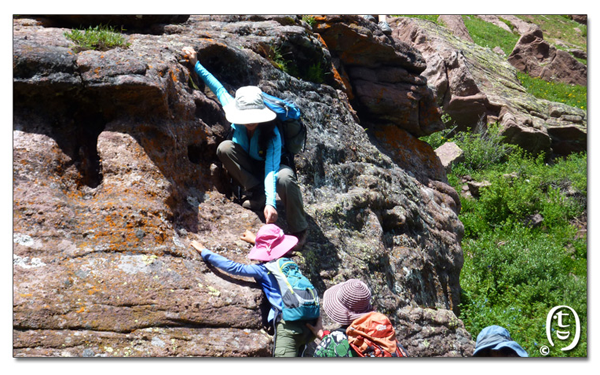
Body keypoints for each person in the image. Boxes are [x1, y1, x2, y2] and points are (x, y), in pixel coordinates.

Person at [182, 46, 309, 247]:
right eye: (246, 117)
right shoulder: (232, 105)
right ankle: (256, 193)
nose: (250, 122)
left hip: (273, 168)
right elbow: (218, 89)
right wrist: (196, 63)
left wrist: (271, 204)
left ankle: (299, 229)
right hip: (250, 165)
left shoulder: (272, 133)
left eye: (254, 117)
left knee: (285, 178)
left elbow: (270, 170)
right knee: (224, 148)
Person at [191, 224, 315, 357]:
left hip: (288, 325)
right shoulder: (289, 264)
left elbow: (235, 268)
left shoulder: (262, 270)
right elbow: (273, 250)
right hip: (309, 322)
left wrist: (205, 252)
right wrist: (255, 240)